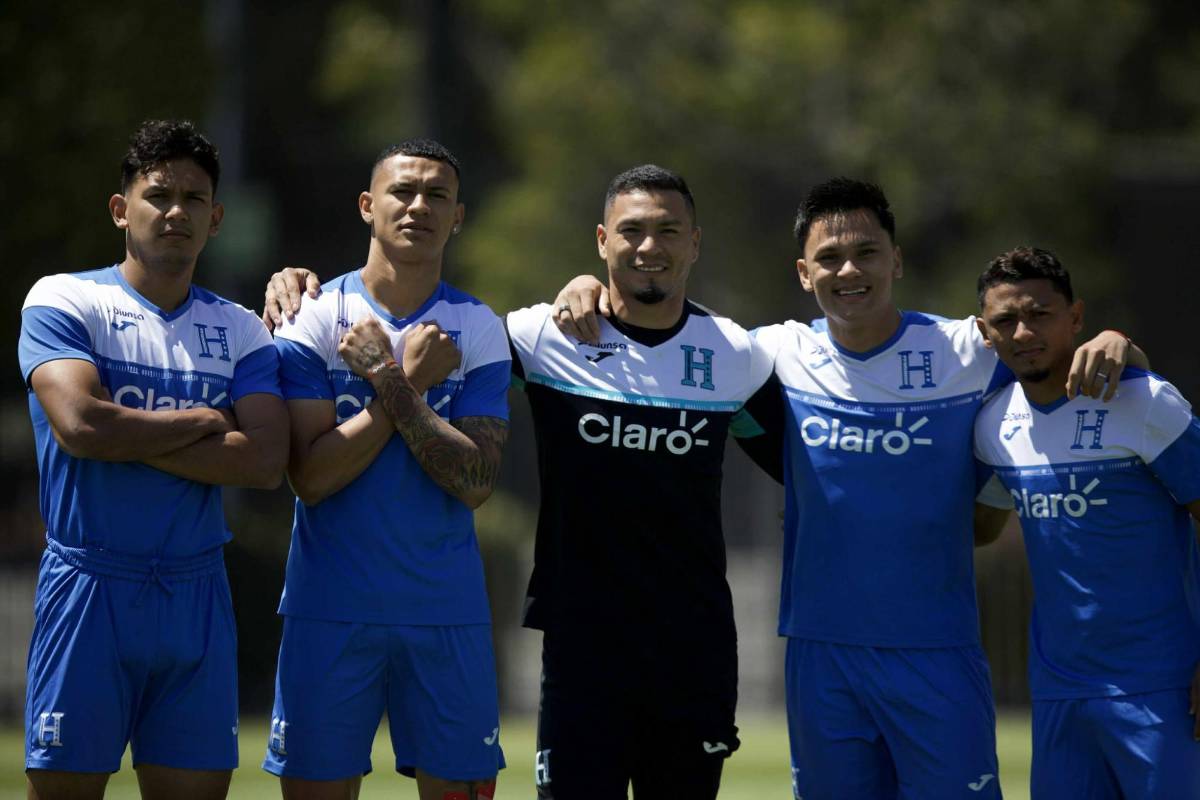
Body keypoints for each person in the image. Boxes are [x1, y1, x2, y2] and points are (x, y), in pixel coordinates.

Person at [554, 177, 1147, 799]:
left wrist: (1119, 344)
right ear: (804, 274)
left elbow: (1059, 357)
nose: (849, 270)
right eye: (829, 258)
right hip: (821, 658)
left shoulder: (967, 348)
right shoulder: (772, 353)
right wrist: (588, 287)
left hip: (937, 652)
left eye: (866, 252)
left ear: (896, 259)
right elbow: (664, 329)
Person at [262, 164, 779, 799]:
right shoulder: (540, 337)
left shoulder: (735, 353)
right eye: (633, 230)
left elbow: (802, 464)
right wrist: (291, 281)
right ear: (601, 239)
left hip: (692, 647)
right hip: (580, 643)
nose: (650, 246)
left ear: (695, 242)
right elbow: (443, 370)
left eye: (669, 231)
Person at [17, 119, 288, 800]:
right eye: (158, 195)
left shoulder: (241, 328)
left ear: (216, 218)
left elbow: (262, 461)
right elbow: (81, 425)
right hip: (89, 586)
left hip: (197, 593)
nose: (176, 212)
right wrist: (203, 420)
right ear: (121, 210)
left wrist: (128, 436)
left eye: (194, 200)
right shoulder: (65, 299)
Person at [261, 139, 510, 800]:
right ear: (368, 206)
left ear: (458, 216)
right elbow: (310, 477)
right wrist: (404, 383)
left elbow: (476, 483)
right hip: (329, 608)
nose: (418, 205)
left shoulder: (477, 328)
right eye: (403, 191)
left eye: (438, 195)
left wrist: (388, 380)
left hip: (445, 611)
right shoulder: (311, 318)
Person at [973, 247, 1200, 799]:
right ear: (986, 333)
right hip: (1059, 693)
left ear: (1076, 317)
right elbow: (980, 528)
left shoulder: (1143, 401)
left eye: (1040, 314)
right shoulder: (994, 425)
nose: (1023, 331)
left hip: (1161, 686)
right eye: (1007, 320)